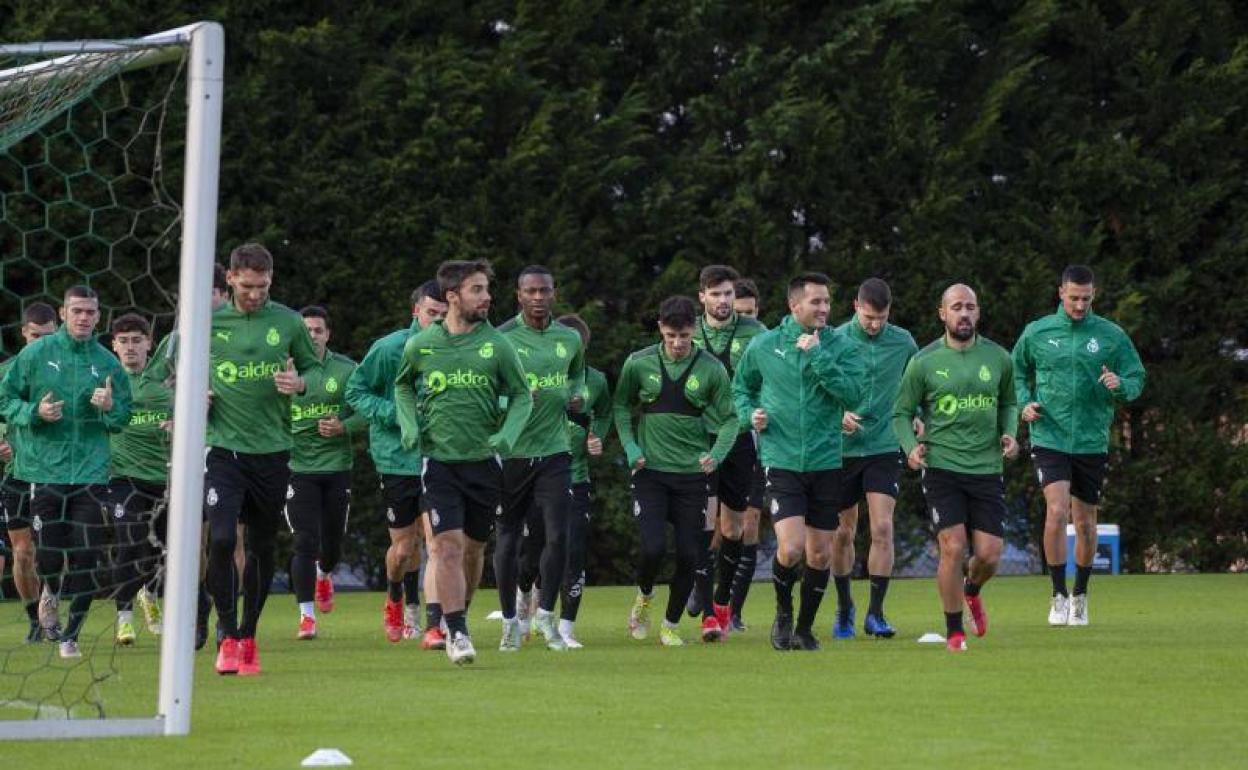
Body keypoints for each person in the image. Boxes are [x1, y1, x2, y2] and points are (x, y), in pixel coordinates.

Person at [395, 259, 532, 666]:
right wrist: (407, 423)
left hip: (484, 465)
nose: (487, 296)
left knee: (473, 551)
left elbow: (522, 395)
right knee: (446, 547)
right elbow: (402, 385)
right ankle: (455, 630)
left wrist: (507, 435)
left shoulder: (498, 345)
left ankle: (460, 613)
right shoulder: (422, 344)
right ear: (452, 296)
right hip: (439, 463)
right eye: (477, 289)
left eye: (486, 288)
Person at [206, 243, 322, 676]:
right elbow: (176, 373)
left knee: (261, 546)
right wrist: (195, 391)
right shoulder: (210, 323)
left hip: (273, 452)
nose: (255, 294)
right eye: (248, 286)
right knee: (219, 539)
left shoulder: (288, 322)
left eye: (263, 286)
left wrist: (299, 383)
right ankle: (225, 629)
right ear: (231, 279)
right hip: (224, 450)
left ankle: (248, 636)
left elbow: (314, 371)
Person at [733, 272, 863, 651]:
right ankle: (783, 613)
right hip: (782, 458)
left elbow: (853, 393)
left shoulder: (840, 345)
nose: (824, 308)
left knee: (820, 552)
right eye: (816, 302)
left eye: (826, 302)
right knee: (790, 549)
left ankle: (805, 629)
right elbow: (740, 388)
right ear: (795, 306)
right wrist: (749, 414)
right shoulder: (765, 345)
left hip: (825, 461)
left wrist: (817, 354)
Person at [0, 286, 132, 658]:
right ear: (62, 313)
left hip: (91, 472)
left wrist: (109, 408)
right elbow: (5, 400)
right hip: (46, 470)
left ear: (98, 316)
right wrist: (34, 415)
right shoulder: (37, 354)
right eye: (77, 311)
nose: (84, 318)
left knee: (88, 555)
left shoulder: (108, 362)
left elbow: (123, 416)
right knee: (52, 554)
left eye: (90, 312)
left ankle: (70, 634)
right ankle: (50, 593)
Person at [1011, 265, 1145, 626]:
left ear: (1094, 296)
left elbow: (1136, 377)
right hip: (1049, 435)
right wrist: (1024, 402)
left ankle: (1080, 595)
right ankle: (1057, 595)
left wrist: (1120, 384)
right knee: (1057, 511)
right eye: (1074, 298)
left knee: (1086, 523)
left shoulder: (1111, 335)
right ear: (1060, 293)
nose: (1080, 305)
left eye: (1086, 299)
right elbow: (1016, 371)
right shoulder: (1037, 332)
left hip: (1090, 439)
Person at [893, 283, 1019, 652]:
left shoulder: (998, 358)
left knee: (989, 555)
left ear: (978, 313)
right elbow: (901, 413)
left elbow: (1009, 402)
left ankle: (972, 590)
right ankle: (954, 631)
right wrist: (910, 448)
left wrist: (1009, 433)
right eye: (957, 307)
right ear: (942, 313)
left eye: (970, 307)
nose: (964, 314)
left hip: (986, 466)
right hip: (942, 465)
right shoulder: (924, 361)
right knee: (952, 546)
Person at [615, 295, 736, 647]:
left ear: (694, 329)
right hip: (650, 472)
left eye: (684, 335)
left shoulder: (712, 369)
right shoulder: (638, 364)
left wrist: (716, 454)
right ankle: (644, 597)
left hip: (691, 476)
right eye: (671, 336)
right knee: (652, 548)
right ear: (660, 330)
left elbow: (730, 419)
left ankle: (670, 624)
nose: (678, 343)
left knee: (689, 554)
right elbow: (622, 406)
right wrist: (631, 447)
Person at [346, 281, 448, 647]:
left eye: (443, 314)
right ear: (415, 312)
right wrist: (398, 415)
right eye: (431, 313)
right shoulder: (389, 349)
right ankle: (396, 597)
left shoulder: (456, 349)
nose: (437, 321)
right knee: (405, 549)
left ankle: (435, 624)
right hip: (396, 459)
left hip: (440, 458)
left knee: (438, 544)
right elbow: (356, 392)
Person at [494, 266, 585, 652]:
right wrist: (510, 402)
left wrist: (580, 396)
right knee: (508, 540)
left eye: (544, 291)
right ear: (518, 295)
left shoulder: (569, 339)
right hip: (512, 453)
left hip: (554, 450)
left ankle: (547, 616)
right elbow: (487, 392)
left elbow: (577, 379)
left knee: (558, 534)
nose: (537, 297)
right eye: (530, 291)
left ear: (554, 293)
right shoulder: (500, 339)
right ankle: (511, 623)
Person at [829, 278, 918, 639]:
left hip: (883, 446)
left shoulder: (904, 342)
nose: (875, 324)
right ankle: (844, 607)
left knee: (882, 527)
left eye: (881, 317)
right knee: (841, 532)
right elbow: (815, 388)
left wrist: (917, 412)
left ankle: (876, 613)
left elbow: (918, 385)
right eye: (868, 317)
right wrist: (836, 415)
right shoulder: (833, 340)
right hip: (840, 450)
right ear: (855, 307)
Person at [692, 265, 766, 642]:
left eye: (728, 294)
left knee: (733, 528)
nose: (724, 301)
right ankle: (708, 615)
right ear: (702, 296)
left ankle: (723, 602)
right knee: (704, 525)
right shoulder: (688, 333)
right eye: (716, 294)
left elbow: (774, 378)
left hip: (739, 439)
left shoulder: (756, 333)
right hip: (699, 441)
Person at [285, 306, 366, 640]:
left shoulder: (347, 370)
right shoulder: (284, 370)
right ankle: (307, 616)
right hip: (296, 468)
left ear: (328, 334)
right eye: (306, 331)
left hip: (336, 468)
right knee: (304, 541)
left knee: (331, 544)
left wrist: (343, 427)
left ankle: (324, 573)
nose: (312, 336)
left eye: (318, 330)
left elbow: (368, 411)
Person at [108, 313, 173, 646]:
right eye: (124, 341)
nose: (130, 347)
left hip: (162, 479)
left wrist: (176, 425)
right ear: (114, 346)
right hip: (122, 478)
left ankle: (150, 594)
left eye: (137, 340)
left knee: (160, 549)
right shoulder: (106, 383)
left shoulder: (164, 386)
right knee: (129, 541)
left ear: (149, 343)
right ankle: (124, 619)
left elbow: (191, 421)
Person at [0, 302, 61, 642]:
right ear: (23, 332)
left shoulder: (67, 369)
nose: (41, 343)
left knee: (55, 548)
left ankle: (51, 607)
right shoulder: (7, 372)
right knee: (23, 552)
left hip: (58, 471)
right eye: (35, 336)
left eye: (48, 337)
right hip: (19, 472)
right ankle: (35, 620)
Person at [552, 313, 610, 648]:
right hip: (535, 473)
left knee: (574, 549)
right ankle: (524, 606)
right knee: (532, 552)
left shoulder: (597, 381)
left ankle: (567, 626)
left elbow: (603, 413)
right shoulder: (539, 376)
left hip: (575, 476)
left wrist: (596, 436)